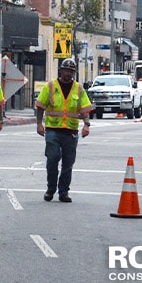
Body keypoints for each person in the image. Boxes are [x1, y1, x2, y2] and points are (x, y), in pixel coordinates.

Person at [35, 58, 94, 203]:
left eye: (71, 71)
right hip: (53, 130)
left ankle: (63, 192)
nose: (68, 74)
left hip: (71, 132)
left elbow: (85, 109)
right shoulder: (50, 87)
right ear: (61, 70)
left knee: (68, 163)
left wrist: (86, 125)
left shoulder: (78, 89)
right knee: (53, 158)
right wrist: (39, 124)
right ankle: (50, 189)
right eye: (66, 70)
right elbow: (40, 106)